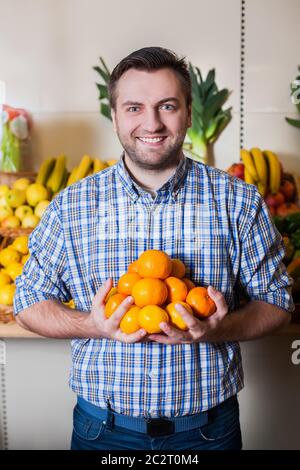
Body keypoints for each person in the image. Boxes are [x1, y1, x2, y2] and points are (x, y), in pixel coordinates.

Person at [13, 47, 294, 451]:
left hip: (208, 435)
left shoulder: (239, 202)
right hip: (102, 433)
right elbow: (27, 302)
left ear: (189, 113)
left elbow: (278, 303)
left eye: (167, 106)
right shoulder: (72, 206)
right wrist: (91, 325)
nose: (152, 123)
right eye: (133, 107)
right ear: (114, 117)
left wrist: (218, 329)